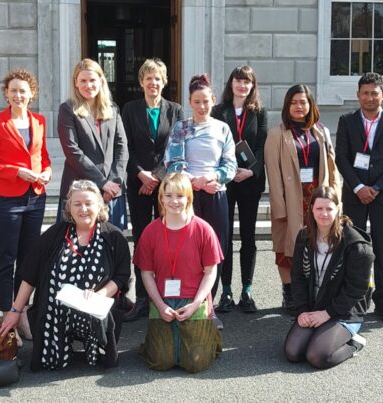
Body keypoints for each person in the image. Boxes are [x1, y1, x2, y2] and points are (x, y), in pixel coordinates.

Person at [0, 180, 130, 371]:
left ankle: (95, 346)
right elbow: (30, 275)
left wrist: (100, 294)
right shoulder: (55, 234)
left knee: (97, 315)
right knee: (49, 362)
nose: (83, 209)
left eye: (88, 203)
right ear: (69, 207)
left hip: (94, 309)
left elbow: (121, 276)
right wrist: (16, 312)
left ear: (99, 205)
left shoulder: (113, 237)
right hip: (55, 310)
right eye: (77, 204)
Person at [164, 73, 237, 329]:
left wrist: (214, 176)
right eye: (197, 101)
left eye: (206, 101)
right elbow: (172, 161)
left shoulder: (223, 128)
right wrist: (192, 179)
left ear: (213, 100)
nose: (202, 106)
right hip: (187, 197)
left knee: (215, 251)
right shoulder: (181, 128)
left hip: (215, 195)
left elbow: (230, 163)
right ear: (190, 102)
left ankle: (208, 306)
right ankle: (185, 303)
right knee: (187, 250)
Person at [0, 69, 51, 317]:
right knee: (6, 256)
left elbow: (42, 156)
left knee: (28, 258)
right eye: (13, 91)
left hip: (35, 197)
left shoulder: (39, 121)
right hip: (7, 199)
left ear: (31, 94)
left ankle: (20, 311)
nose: (18, 95)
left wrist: (48, 171)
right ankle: (4, 312)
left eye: (23, 91)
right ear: (6, 94)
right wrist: (16, 172)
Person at [335, 72, 383, 323]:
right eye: (364, 93)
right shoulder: (347, 121)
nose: (369, 98)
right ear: (357, 95)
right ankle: (354, 301)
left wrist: (375, 187)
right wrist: (358, 188)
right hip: (355, 196)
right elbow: (341, 158)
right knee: (354, 249)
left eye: (374, 93)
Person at [135, 173, 222, 373]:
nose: (174, 201)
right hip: (163, 299)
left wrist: (196, 304)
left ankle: (211, 334)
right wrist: (159, 304)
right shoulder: (151, 231)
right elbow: (146, 273)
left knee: (195, 363)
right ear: (161, 198)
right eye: (169, 195)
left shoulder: (203, 229)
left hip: (194, 299)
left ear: (189, 198)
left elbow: (210, 272)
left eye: (180, 196)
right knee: (160, 361)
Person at [265, 84, 340, 316]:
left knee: (318, 246)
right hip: (291, 199)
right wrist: (279, 207)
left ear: (310, 106)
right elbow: (273, 173)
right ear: (287, 106)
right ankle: (289, 292)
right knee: (287, 249)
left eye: (303, 102)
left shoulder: (321, 132)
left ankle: (313, 293)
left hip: (316, 198)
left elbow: (332, 167)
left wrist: (335, 198)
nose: (299, 107)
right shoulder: (277, 134)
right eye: (294, 102)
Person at [284, 186, 374, 369]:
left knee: (317, 356)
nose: (324, 213)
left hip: (344, 311)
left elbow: (356, 289)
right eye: (319, 208)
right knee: (293, 353)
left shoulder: (357, 246)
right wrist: (302, 310)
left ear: (338, 208)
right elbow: (298, 277)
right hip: (315, 307)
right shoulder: (304, 236)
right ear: (311, 209)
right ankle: (321, 333)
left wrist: (327, 313)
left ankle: (355, 343)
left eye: (329, 208)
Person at [121, 58, 183, 322]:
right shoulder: (130, 109)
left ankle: (167, 294)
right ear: (141, 82)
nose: (153, 83)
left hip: (165, 186)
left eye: (157, 78)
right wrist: (141, 174)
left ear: (163, 82)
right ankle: (143, 299)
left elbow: (176, 145)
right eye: (148, 78)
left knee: (167, 238)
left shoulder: (176, 110)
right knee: (142, 237)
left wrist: (156, 177)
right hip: (138, 184)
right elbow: (124, 146)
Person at [212, 65, 267, 314]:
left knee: (248, 236)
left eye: (247, 82)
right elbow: (214, 145)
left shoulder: (259, 112)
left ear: (253, 86)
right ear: (231, 83)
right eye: (238, 80)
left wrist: (251, 170)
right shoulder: (217, 111)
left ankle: (246, 289)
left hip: (249, 181)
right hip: (225, 181)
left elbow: (262, 145)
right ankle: (226, 291)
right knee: (224, 236)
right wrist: (229, 170)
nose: (242, 85)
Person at [57, 58, 128, 230]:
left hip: (112, 192)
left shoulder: (113, 108)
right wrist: (101, 182)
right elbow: (72, 151)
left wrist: (113, 183)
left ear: (101, 81)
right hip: (80, 191)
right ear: (76, 83)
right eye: (83, 80)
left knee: (111, 245)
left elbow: (122, 148)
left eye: (92, 80)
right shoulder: (68, 109)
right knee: (76, 247)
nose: (88, 85)